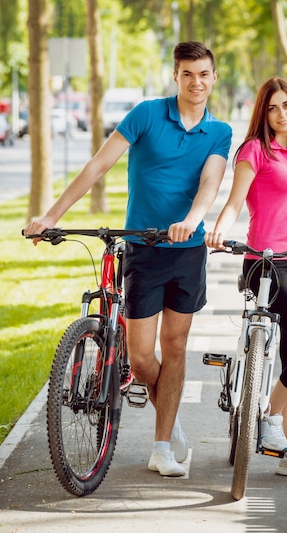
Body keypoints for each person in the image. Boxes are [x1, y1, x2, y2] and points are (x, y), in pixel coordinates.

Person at [24, 41, 232, 477]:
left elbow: (210, 184)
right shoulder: (145, 115)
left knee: (175, 349)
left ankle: (161, 446)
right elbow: (98, 166)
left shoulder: (220, 132)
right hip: (143, 250)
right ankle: (170, 421)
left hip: (187, 252)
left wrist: (191, 220)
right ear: (176, 76)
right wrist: (50, 216)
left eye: (204, 74)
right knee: (140, 359)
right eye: (188, 73)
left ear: (214, 77)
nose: (196, 82)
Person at [205, 76, 287, 479]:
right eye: (274, 107)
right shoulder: (254, 150)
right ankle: (267, 416)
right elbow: (235, 202)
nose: (283, 113)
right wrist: (219, 230)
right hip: (267, 264)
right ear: (263, 112)